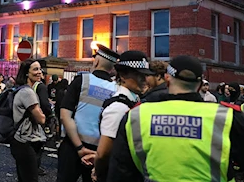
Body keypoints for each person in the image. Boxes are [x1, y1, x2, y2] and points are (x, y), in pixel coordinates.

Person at [108, 55, 244, 182]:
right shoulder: (226, 116)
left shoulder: (137, 115)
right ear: (199, 84)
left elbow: (121, 172)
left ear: (167, 78)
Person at [57, 43, 118, 182]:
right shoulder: (116, 90)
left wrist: (80, 148)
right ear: (112, 67)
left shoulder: (82, 80)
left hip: (73, 147)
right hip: (99, 151)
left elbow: (65, 116)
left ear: (96, 61)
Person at [92, 51, 153, 182]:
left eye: (145, 75)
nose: (144, 79)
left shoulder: (132, 100)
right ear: (123, 75)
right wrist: (97, 172)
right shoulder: (118, 107)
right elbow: (103, 153)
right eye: (138, 75)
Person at [10, 59, 47, 182]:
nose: (39, 72)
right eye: (35, 69)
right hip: (25, 141)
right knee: (30, 178)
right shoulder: (28, 92)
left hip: (20, 140)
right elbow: (41, 119)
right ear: (27, 73)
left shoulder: (21, 89)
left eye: (40, 69)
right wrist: (43, 114)